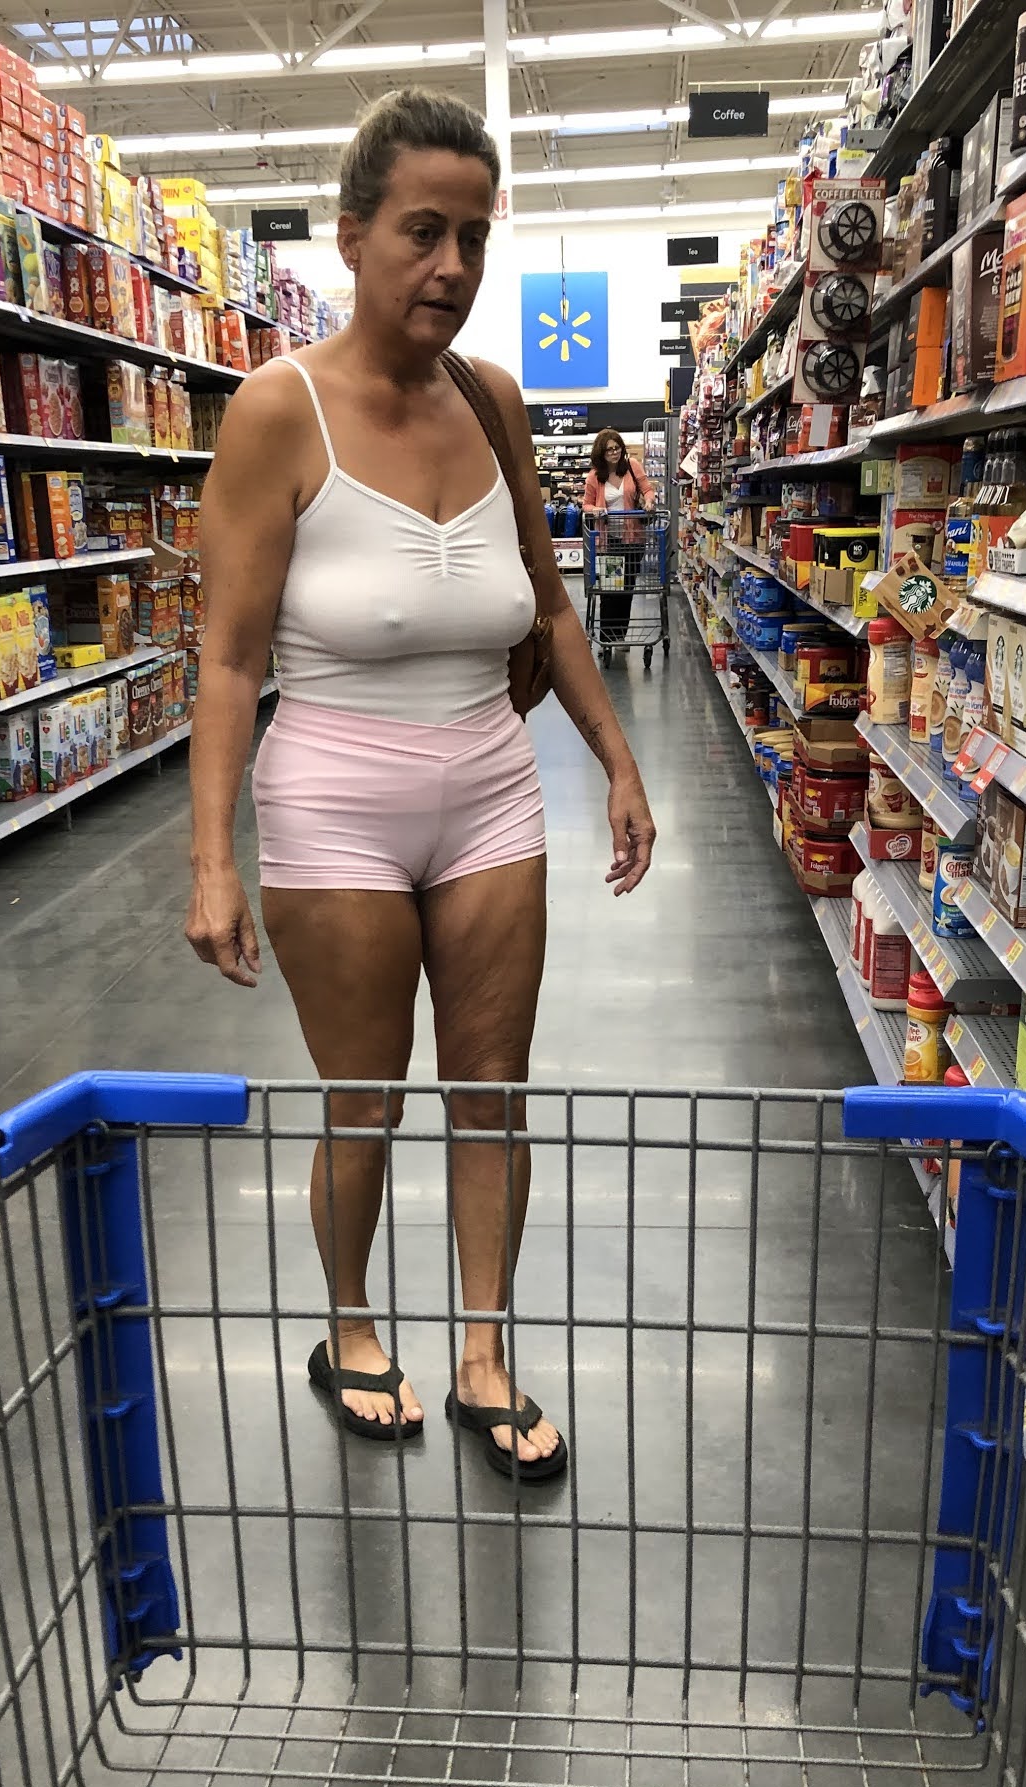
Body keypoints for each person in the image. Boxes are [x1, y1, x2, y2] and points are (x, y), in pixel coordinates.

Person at [184, 87, 657, 1482]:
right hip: (334, 796)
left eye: (474, 238)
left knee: (493, 1091)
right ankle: (350, 1325)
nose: (451, 265)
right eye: (422, 232)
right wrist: (211, 860)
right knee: (364, 1098)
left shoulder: (496, 402)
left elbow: (551, 605)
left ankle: (484, 1353)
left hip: (493, 788)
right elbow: (228, 661)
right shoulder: (278, 413)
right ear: (352, 236)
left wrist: (618, 761)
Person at [581, 428, 656, 658]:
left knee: (626, 589)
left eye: (617, 448)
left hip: (633, 539)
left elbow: (647, 489)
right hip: (609, 541)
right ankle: (607, 637)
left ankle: (620, 636)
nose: (614, 453)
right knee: (610, 590)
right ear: (601, 453)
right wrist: (596, 510)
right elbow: (586, 505)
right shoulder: (595, 476)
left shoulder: (632, 466)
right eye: (609, 450)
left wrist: (650, 502)